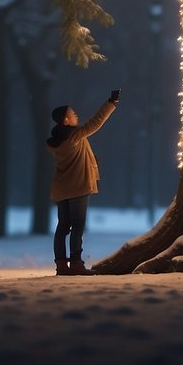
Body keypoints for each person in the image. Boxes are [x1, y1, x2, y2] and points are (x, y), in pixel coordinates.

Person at [46, 89, 121, 276]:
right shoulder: (75, 135)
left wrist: (90, 160)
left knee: (63, 226)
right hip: (78, 187)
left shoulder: (57, 141)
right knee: (78, 225)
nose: (76, 114)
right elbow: (96, 123)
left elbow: (73, 157)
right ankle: (76, 263)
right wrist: (110, 103)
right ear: (65, 120)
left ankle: (61, 265)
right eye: (72, 113)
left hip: (61, 187)